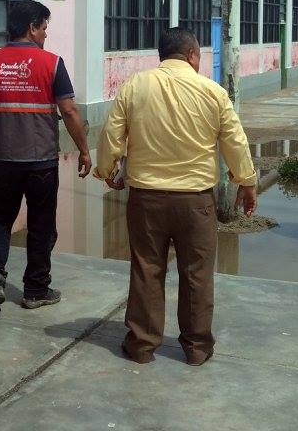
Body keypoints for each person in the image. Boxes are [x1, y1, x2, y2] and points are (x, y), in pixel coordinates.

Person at [94, 27, 258, 366]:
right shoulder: (213, 92)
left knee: (146, 270)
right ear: (193, 55)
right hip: (196, 202)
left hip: (146, 199)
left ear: (162, 54)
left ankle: (141, 345)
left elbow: (111, 135)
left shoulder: (135, 86)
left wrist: (106, 171)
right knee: (197, 273)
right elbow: (235, 141)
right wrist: (246, 181)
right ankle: (196, 349)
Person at [0, 0, 91, 315]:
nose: (46, 34)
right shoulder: (52, 63)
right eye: (44, 28)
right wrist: (84, 149)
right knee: (42, 225)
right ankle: (35, 289)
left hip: (3, 160)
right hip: (41, 161)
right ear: (32, 27)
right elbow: (69, 110)